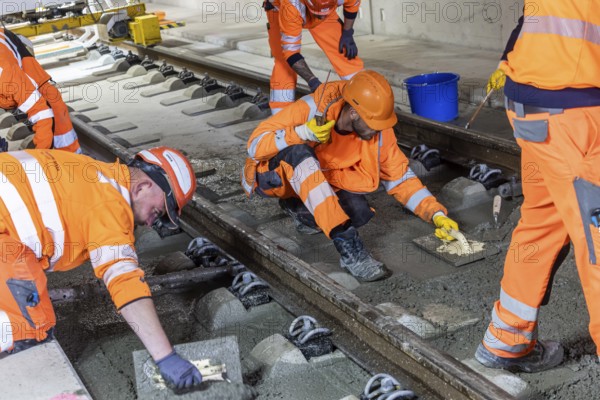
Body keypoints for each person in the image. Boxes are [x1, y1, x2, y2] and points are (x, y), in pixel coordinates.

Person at [0, 146, 202, 389]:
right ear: (142, 187)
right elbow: (124, 281)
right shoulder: (109, 203)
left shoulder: (93, 173)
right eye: (157, 212)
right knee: (28, 335)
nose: (151, 223)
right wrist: (165, 357)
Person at [475, 0, 600, 372]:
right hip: (575, 117)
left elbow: (525, 22)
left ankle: (506, 338)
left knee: (543, 222)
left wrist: (503, 64)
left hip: (531, 106)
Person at [242, 69, 459, 281]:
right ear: (354, 112)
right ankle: (351, 251)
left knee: (359, 212)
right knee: (300, 154)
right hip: (274, 177)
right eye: (374, 124)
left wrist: (437, 215)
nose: (378, 130)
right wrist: (302, 133)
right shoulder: (312, 108)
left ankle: (298, 208)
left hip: (319, 180)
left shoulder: (378, 130)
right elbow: (255, 145)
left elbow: (400, 177)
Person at [264, 0, 364, 113]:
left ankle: (363, 97)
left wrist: (347, 32)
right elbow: (291, 52)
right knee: (284, 63)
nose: (320, 18)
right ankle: (280, 116)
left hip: (322, 9)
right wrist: (313, 82)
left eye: (323, 14)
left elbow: (352, 4)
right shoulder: (291, 6)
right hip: (279, 10)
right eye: (318, 15)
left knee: (343, 50)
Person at [0, 28, 81, 153]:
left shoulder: (9, 77)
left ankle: (70, 155)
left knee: (51, 99)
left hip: (11, 50)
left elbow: (41, 113)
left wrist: (41, 153)